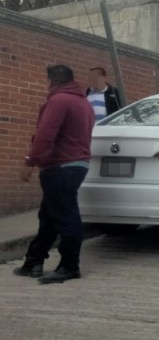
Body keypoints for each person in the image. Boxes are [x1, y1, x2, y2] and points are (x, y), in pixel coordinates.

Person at [14, 64, 94, 284]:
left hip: (60, 165)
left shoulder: (59, 100)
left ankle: (70, 266)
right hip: (77, 164)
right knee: (49, 215)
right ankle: (34, 261)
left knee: (66, 216)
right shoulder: (84, 103)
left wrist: (30, 161)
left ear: (52, 80)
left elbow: (45, 134)